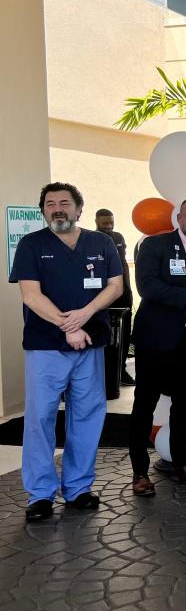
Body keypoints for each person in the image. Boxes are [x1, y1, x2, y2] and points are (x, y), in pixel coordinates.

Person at [10, 183, 123, 522]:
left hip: (91, 344)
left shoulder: (101, 243)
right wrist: (69, 326)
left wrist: (85, 317)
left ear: (78, 209)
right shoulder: (31, 245)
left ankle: (77, 488)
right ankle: (41, 494)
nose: (57, 208)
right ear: (43, 211)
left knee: (87, 416)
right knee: (40, 419)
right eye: (50, 204)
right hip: (46, 346)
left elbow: (115, 285)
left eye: (65, 203)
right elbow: (30, 295)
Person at [129, 197, 186, 495]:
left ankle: (182, 466)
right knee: (144, 405)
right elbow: (147, 286)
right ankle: (139, 473)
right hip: (154, 342)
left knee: (183, 408)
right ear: (179, 218)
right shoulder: (155, 246)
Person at [95, 208, 135, 386]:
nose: (109, 226)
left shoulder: (118, 237)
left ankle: (121, 369)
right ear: (97, 222)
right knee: (106, 334)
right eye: (105, 223)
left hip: (124, 293)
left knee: (125, 332)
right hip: (105, 294)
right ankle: (105, 373)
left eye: (111, 222)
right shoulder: (93, 239)